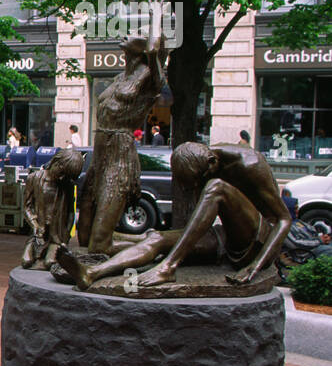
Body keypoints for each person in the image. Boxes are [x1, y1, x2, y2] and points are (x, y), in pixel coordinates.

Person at [57, 143, 292, 290]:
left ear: (211, 163)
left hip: (256, 240)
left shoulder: (250, 164)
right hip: (226, 238)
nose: (197, 187)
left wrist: (255, 266)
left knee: (216, 188)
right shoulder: (206, 164)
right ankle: (91, 273)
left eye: (198, 181)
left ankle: (167, 267)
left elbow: (283, 219)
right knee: (157, 238)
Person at [76, 27, 167, 255]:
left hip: (119, 155)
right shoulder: (120, 76)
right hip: (99, 155)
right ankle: (146, 242)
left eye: (138, 33)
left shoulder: (148, 75)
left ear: (147, 46)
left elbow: (159, 80)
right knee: (84, 236)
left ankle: (157, 245)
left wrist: (155, 53)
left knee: (97, 244)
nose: (129, 33)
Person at [21, 148, 85, 269]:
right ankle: (36, 252)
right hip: (39, 234)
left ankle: (50, 254)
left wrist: (66, 236)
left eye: (66, 176)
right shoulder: (34, 178)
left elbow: (71, 212)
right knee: (26, 261)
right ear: (56, 162)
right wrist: (35, 225)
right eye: (61, 173)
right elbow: (27, 207)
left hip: (57, 236)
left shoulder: (67, 186)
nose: (61, 178)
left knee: (50, 263)